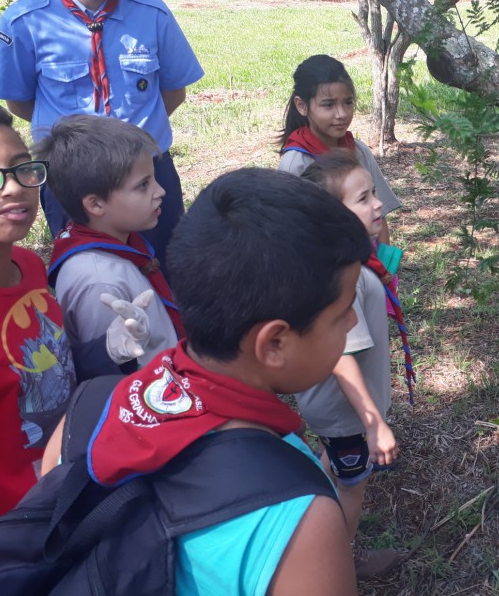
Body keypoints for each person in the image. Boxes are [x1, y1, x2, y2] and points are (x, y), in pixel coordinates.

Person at [42, 167, 369, 595]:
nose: (353, 320)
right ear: (273, 343)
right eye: (342, 311)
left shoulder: (86, 412)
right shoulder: (299, 514)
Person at [0, 0, 204, 272]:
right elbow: (20, 102)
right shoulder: (24, 23)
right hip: (70, 179)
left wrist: (129, 143)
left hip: (148, 171)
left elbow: (173, 92)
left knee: (170, 268)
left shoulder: (151, 14)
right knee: (89, 272)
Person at [0, 104, 148, 517]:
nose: (13, 188)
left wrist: (109, 349)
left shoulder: (28, 266)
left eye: (21, 167)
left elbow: (51, 369)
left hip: (71, 487)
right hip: (18, 527)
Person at [296, 152, 403, 579]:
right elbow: (342, 356)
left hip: (327, 408)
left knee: (335, 461)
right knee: (353, 486)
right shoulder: (349, 275)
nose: (377, 205)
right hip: (344, 412)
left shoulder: (337, 258)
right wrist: (374, 422)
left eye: (373, 193)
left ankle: (308, 517)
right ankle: (339, 562)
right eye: (363, 199)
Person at [35, 114, 181, 369]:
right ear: (95, 204)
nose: (160, 191)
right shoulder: (99, 282)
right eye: (143, 185)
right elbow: (112, 371)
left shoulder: (117, 242)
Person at [278, 54, 400, 244]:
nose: (341, 114)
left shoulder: (359, 151)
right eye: (328, 105)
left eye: (348, 102)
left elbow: (380, 217)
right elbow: (293, 237)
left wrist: (384, 269)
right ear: (302, 105)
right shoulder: (296, 164)